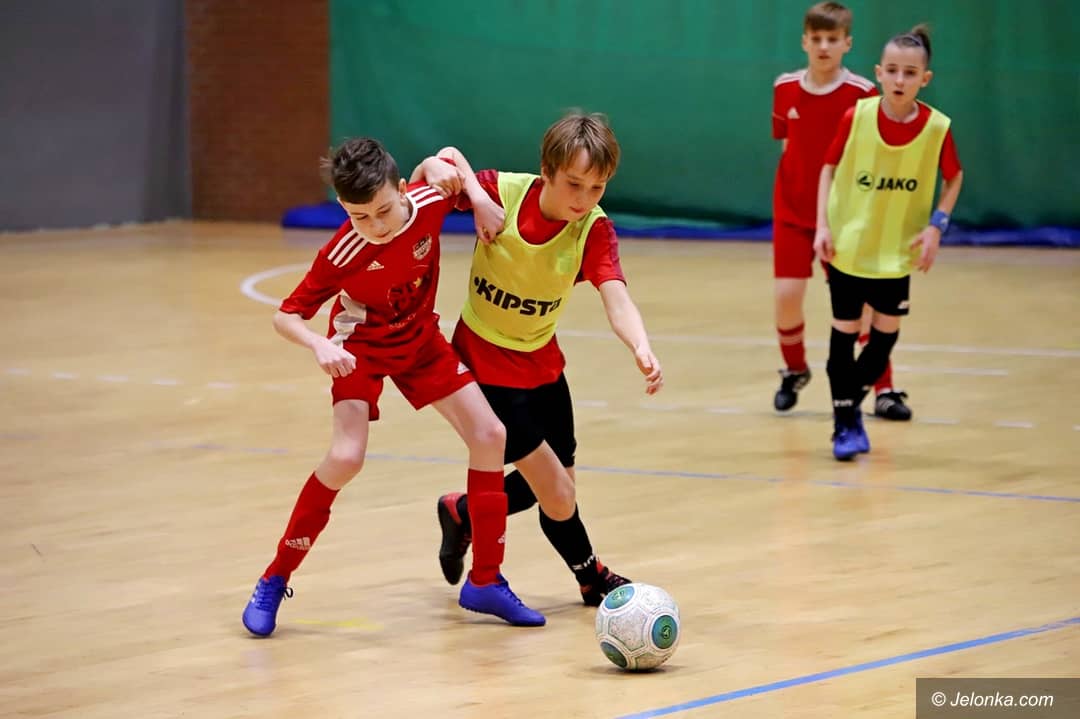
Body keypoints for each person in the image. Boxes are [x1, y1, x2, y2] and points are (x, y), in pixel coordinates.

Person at [241, 137, 545, 636]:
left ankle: (485, 581)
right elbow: (285, 315)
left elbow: (447, 155)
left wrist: (478, 197)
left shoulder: (427, 201)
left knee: (491, 435)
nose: (375, 226)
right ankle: (275, 577)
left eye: (383, 211)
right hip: (359, 348)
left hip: (420, 341)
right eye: (358, 216)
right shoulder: (343, 250)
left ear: (403, 190)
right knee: (346, 458)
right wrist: (318, 345)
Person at [410, 113, 663, 606]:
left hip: (544, 366)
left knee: (559, 489)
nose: (584, 199)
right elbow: (438, 166)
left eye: (597, 187)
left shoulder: (592, 229)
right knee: (558, 494)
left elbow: (616, 296)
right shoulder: (501, 194)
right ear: (546, 170)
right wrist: (450, 179)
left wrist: (640, 345)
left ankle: (462, 512)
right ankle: (592, 579)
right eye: (574, 184)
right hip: (486, 368)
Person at [814, 24, 963, 460]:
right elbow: (827, 168)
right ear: (879, 72)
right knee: (843, 336)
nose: (900, 80)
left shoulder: (937, 128)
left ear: (925, 79)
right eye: (892, 71)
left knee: (882, 344)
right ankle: (845, 427)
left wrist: (936, 226)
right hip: (849, 248)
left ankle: (847, 411)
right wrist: (822, 227)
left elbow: (954, 177)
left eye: (910, 73)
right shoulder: (856, 117)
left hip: (896, 255)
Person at [771, 2, 912, 421]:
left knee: (862, 309)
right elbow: (787, 144)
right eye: (816, 38)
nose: (823, 46)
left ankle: (884, 389)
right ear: (804, 42)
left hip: (845, 218)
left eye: (832, 39)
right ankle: (795, 370)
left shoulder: (863, 93)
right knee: (787, 297)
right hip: (793, 213)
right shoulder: (785, 87)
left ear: (847, 43)